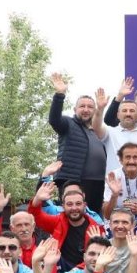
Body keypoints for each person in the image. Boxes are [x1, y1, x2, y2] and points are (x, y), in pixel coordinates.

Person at [47, 74, 108, 210]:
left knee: (94, 218)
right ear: (75, 110)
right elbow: (54, 119)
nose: (86, 110)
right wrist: (59, 95)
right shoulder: (69, 124)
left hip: (97, 184)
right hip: (74, 181)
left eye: (90, 107)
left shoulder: (96, 131)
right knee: (73, 216)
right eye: (82, 106)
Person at [28, 182, 104, 272]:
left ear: (84, 205)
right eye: (69, 204)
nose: (74, 208)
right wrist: (37, 199)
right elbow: (35, 216)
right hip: (59, 270)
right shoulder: (58, 221)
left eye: (78, 204)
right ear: (63, 206)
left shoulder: (96, 228)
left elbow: (99, 258)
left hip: (84, 272)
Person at [102, 142, 137, 230]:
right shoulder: (113, 177)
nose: (131, 161)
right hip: (117, 222)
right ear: (121, 160)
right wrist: (114, 195)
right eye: (127, 157)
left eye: (135, 157)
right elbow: (107, 215)